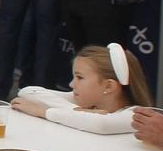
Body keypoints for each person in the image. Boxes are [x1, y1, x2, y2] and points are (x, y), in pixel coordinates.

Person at [13, 43, 154, 135]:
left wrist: (43, 111)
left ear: (109, 86)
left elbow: (102, 124)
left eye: (80, 78)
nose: (72, 84)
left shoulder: (135, 115)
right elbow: (28, 92)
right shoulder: (82, 102)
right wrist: (75, 110)